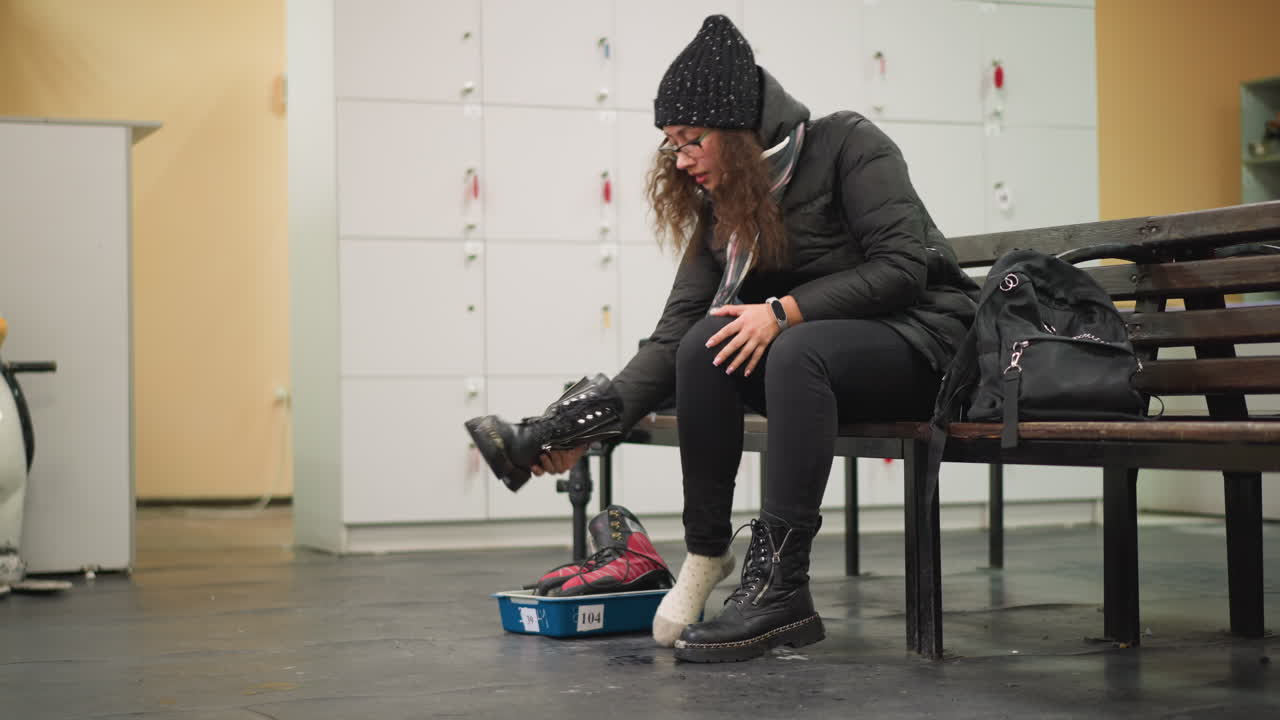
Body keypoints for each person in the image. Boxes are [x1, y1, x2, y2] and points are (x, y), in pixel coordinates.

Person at [467, 15, 978, 662]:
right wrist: (583, 432)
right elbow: (674, 331)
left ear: (736, 130)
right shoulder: (728, 202)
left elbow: (903, 268)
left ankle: (781, 588)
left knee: (793, 346)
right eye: (670, 144)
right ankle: (709, 552)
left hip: (922, 344)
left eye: (690, 140)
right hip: (820, 362)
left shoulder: (850, 144)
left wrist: (783, 310)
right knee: (700, 347)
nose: (680, 160)